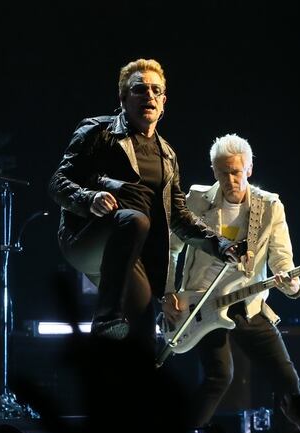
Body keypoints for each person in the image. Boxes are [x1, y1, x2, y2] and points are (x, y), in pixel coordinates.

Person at [48, 58, 238, 348]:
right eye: (139, 89)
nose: (148, 95)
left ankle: (116, 379)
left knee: (143, 328)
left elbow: (180, 217)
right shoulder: (98, 132)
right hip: (87, 238)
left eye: (155, 90)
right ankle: (105, 318)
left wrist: (221, 245)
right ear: (123, 98)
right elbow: (57, 183)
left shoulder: (167, 156)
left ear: (163, 102)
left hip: (128, 253)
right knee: (135, 219)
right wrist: (90, 199)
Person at [163, 133, 300, 428]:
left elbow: (281, 258)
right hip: (203, 304)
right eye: (223, 172)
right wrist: (168, 292)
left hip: (249, 305)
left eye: (237, 171)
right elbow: (170, 248)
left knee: (288, 379)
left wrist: (290, 283)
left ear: (249, 169)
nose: (231, 179)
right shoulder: (196, 200)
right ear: (213, 170)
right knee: (220, 375)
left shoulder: (270, 206)